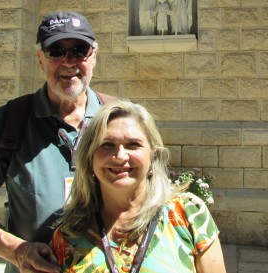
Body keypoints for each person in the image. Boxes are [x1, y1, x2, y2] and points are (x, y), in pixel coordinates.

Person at [0, 11, 115, 273]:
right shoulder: (8, 121)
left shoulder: (119, 117)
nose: (69, 61)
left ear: (94, 57)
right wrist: (18, 252)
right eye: (56, 51)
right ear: (40, 60)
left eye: (79, 50)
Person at [51, 100, 226, 273]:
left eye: (133, 145)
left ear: (152, 155)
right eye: (107, 145)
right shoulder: (68, 237)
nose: (120, 156)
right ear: (90, 159)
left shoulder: (187, 214)